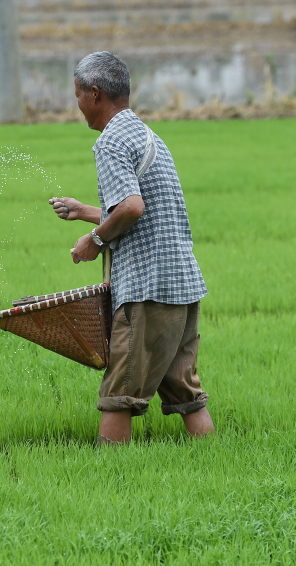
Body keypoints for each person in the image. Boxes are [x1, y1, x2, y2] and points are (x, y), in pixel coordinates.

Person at [48, 51, 215, 444]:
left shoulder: (110, 142)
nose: (76, 106)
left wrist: (94, 240)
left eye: (76, 96)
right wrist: (85, 211)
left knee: (118, 393)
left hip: (148, 289)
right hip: (182, 285)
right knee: (185, 390)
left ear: (94, 94)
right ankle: (211, 456)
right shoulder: (144, 134)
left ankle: (111, 483)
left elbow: (132, 207)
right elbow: (141, 206)